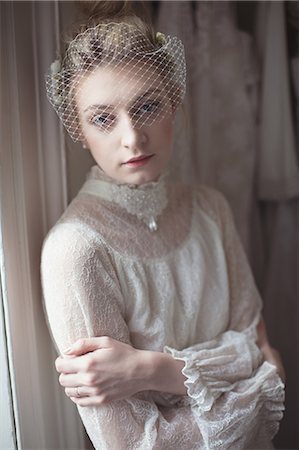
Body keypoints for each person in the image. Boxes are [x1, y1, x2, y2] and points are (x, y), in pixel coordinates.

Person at [41, 4, 285, 449]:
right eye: (103, 118)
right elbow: (135, 443)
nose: (132, 137)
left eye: (147, 105)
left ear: (174, 102)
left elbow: (261, 347)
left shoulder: (212, 209)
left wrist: (152, 371)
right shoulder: (75, 248)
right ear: (77, 126)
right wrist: (258, 388)